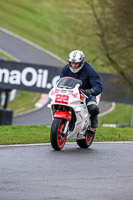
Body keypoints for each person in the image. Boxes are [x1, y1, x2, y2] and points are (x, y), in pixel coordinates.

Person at [60, 50, 103, 133]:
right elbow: (60, 82)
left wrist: (90, 91)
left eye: (77, 63)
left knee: (92, 108)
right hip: (72, 92)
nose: (74, 66)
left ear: (82, 62)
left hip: (88, 94)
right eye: (72, 63)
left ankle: (93, 125)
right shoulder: (65, 69)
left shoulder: (90, 70)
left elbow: (98, 86)